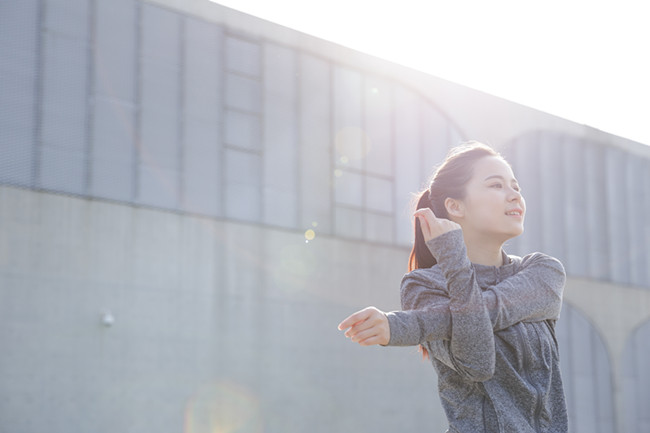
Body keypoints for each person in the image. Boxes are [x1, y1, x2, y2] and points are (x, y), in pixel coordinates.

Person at [337, 142, 568, 433]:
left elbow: (487, 312)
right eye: (496, 185)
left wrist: (401, 326)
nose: (515, 196)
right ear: (455, 206)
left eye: (516, 187)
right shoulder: (425, 285)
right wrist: (454, 261)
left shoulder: (542, 272)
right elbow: (477, 364)